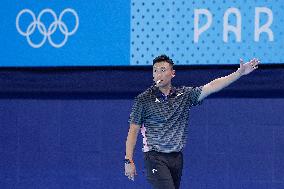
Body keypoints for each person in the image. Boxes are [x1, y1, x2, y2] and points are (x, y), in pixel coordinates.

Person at [124, 54, 260, 189]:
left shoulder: (184, 95)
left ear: (172, 73)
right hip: (154, 157)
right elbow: (133, 130)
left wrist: (239, 73)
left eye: (163, 70)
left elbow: (212, 86)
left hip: (177, 158)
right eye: (155, 70)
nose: (158, 74)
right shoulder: (143, 100)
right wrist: (128, 159)